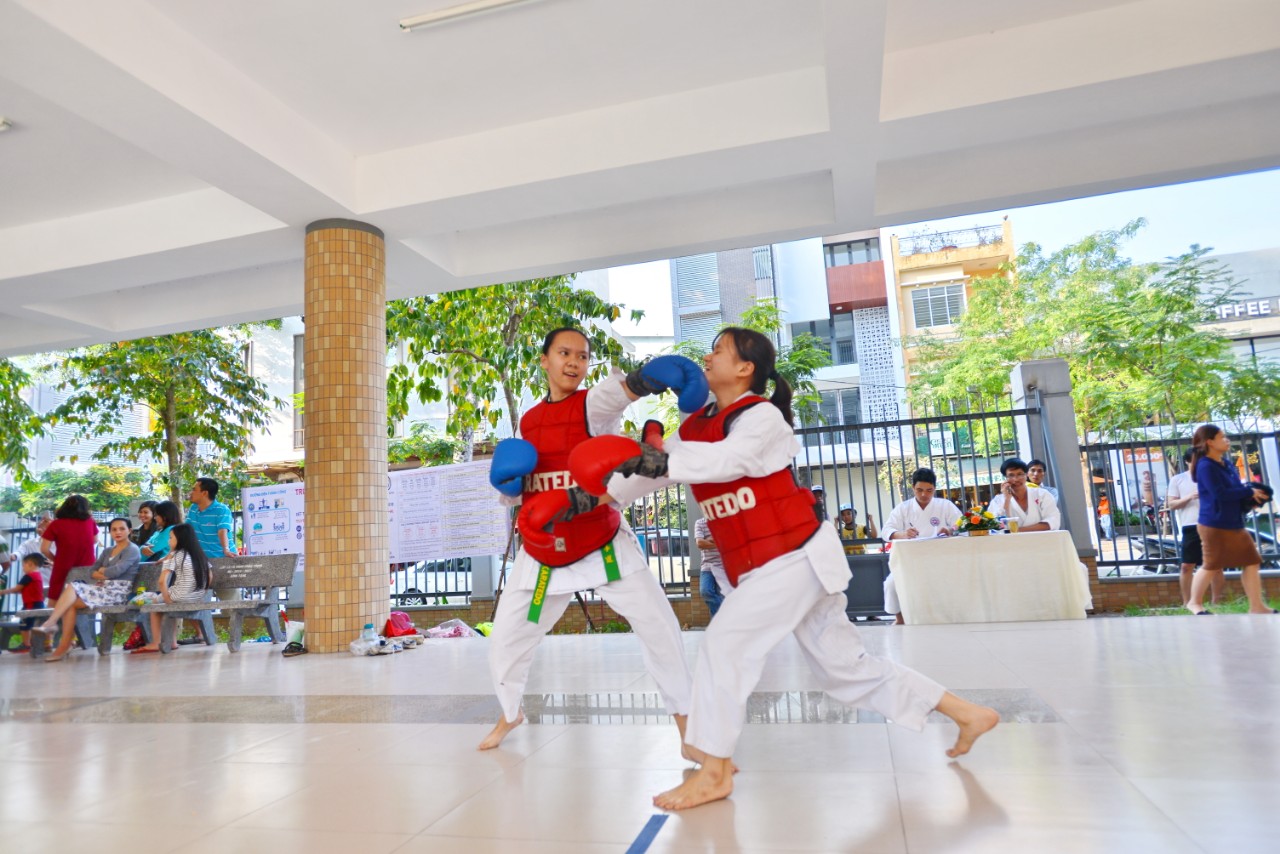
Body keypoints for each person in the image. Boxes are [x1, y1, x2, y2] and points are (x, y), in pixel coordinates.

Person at [571, 327, 997, 810]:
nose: (706, 358)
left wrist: (657, 451)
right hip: (764, 567)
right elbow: (645, 476)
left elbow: (731, 460)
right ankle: (966, 713)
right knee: (846, 670)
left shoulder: (762, 417)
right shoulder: (692, 430)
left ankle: (715, 770)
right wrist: (584, 498)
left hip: (795, 556)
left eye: (718, 351)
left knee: (726, 644)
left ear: (745, 368)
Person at [477, 328, 697, 751]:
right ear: (544, 360)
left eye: (582, 355)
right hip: (545, 548)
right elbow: (521, 491)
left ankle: (688, 725)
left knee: (659, 626)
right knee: (506, 638)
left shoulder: (590, 407)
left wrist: (645, 379)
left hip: (602, 541)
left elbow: (615, 395)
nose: (573, 362)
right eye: (564, 353)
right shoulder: (528, 421)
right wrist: (504, 483)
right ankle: (509, 713)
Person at [1185, 424, 1277, 616]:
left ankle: (1257, 606)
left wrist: (1251, 498)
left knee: (1251, 561)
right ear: (1210, 441)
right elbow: (1219, 494)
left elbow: (1235, 490)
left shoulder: (1226, 464)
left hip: (1234, 522)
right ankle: (1194, 603)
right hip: (1214, 524)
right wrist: (1248, 491)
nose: (1226, 440)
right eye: (1222, 437)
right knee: (1212, 565)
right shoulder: (1205, 466)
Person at [34, 518, 141, 662]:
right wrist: (103, 572)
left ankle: (53, 626)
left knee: (73, 587)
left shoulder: (132, 549)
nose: (118, 532)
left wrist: (103, 571)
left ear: (130, 531)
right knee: (70, 602)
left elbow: (117, 571)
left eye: (122, 529)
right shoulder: (108, 550)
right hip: (101, 589)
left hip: (117, 593)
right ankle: (64, 643)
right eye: (114, 529)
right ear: (109, 532)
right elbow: (92, 571)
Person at [880, 468, 963, 624]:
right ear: (913, 488)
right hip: (910, 560)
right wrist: (903, 534)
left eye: (929, 490)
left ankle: (951, 616)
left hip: (940, 560)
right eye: (919, 490)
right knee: (891, 584)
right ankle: (900, 618)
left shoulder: (945, 505)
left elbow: (961, 524)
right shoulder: (903, 508)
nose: (924, 494)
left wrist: (951, 530)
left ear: (934, 489)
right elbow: (886, 531)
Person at [131, 524, 212, 654]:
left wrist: (167, 599)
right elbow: (210, 576)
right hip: (197, 597)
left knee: (154, 608)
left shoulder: (175, 555)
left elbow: (162, 581)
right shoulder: (198, 555)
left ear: (179, 539)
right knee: (168, 603)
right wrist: (202, 591)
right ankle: (172, 641)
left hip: (178, 596)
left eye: (171, 537)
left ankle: (156, 643)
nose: (168, 541)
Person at [1166, 450, 1223, 606]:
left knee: (1215, 566)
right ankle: (1187, 602)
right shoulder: (1178, 479)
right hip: (1190, 526)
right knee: (1186, 566)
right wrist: (1190, 497)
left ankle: (1216, 601)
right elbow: (1171, 504)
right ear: (1187, 462)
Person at [41, 495, 99, 602]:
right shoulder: (90, 522)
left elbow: (44, 549)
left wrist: (56, 559)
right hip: (87, 567)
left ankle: (53, 619)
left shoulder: (56, 524)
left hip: (63, 567)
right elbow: (95, 540)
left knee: (55, 600)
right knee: (87, 600)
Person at [187, 477, 234, 600]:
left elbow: (222, 530)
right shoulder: (193, 509)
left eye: (194, 489)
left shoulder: (222, 509)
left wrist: (226, 549)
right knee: (195, 606)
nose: (190, 492)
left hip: (223, 561)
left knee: (231, 605)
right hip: (202, 564)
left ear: (204, 493)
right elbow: (187, 532)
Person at [987, 458, 1061, 533]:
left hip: (1042, 541)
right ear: (1005, 478)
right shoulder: (998, 500)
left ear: (1026, 475)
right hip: (1011, 543)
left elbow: (1053, 522)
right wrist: (1006, 500)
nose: (1016, 479)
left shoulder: (1042, 494)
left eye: (1020, 474)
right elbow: (995, 528)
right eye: (1011, 475)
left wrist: (1018, 530)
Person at [0, 553, 47, 653]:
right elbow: (23, 590)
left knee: (24, 625)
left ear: (30, 564)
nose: (22, 568)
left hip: (30, 605)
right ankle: (31, 644)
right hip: (38, 604)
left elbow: (17, 588)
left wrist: (3, 592)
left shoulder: (28, 576)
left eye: (23, 565)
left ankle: (26, 645)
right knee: (30, 624)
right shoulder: (37, 575)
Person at [3, 512, 54, 580]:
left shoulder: (60, 545)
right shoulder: (29, 543)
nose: (41, 523)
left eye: (45, 521)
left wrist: (53, 563)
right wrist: (13, 556)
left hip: (51, 584)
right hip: (30, 585)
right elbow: (19, 553)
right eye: (41, 521)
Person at [694, 516, 727, 617]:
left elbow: (729, 541)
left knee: (721, 594)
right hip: (707, 565)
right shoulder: (700, 523)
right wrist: (720, 542)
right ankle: (724, 617)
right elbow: (700, 543)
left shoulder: (724, 522)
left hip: (723, 566)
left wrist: (709, 541)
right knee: (705, 591)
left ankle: (718, 627)